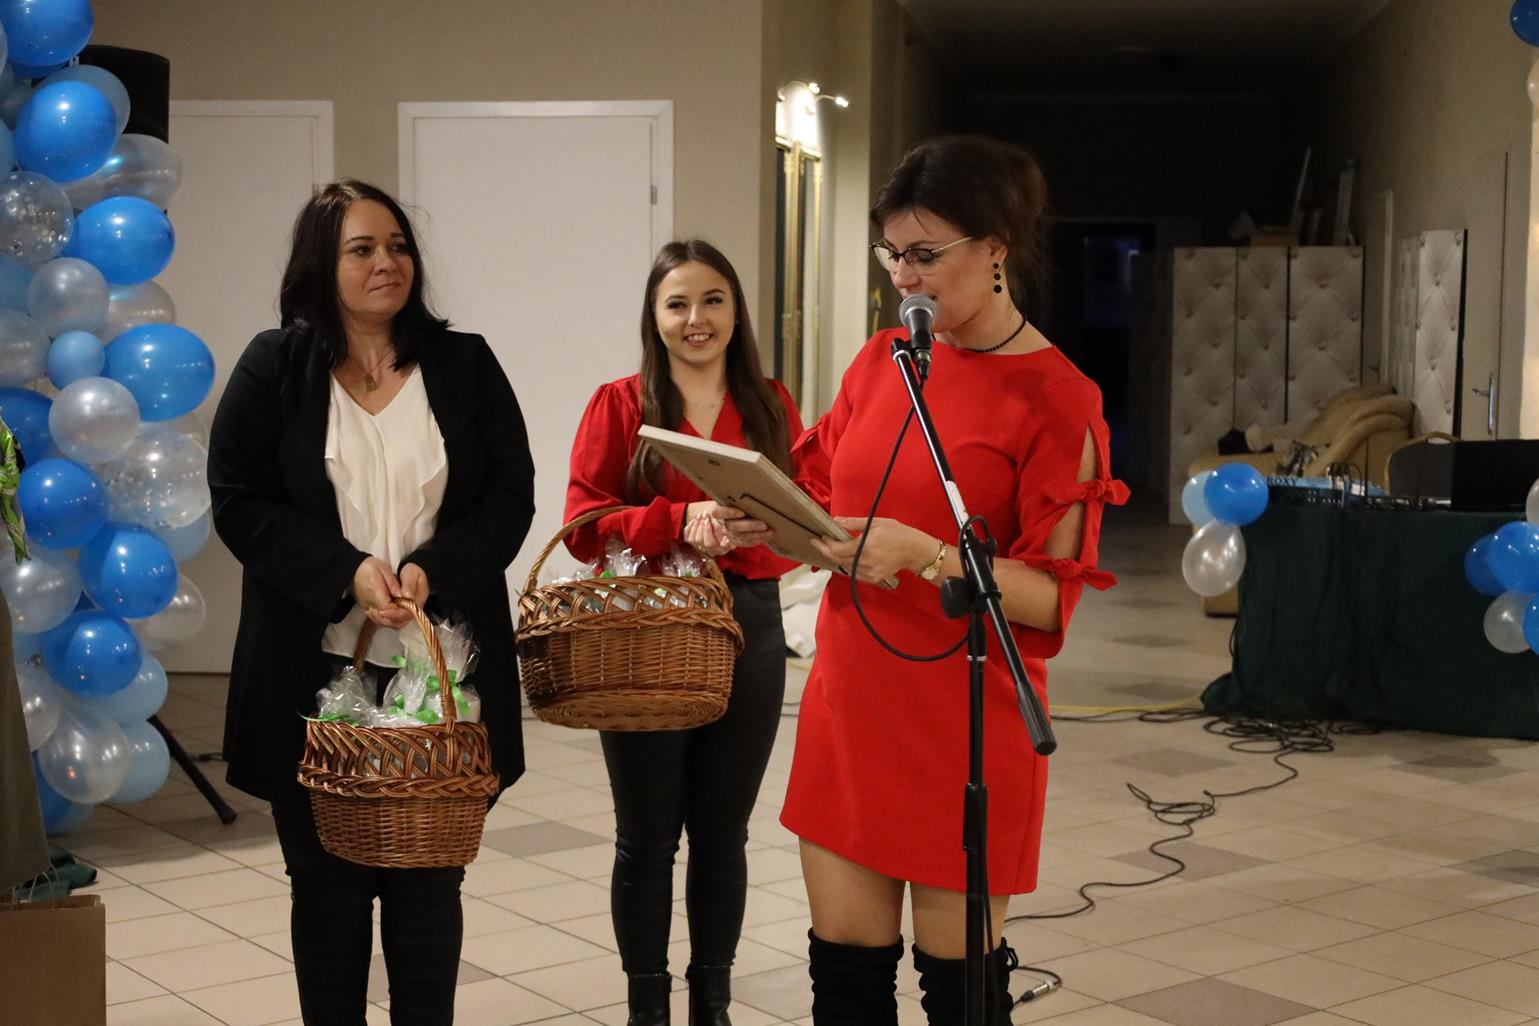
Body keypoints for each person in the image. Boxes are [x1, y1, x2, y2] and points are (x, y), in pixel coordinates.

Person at [770, 136, 1128, 1026]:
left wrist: (923, 554)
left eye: (926, 255)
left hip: (966, 721)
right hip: (852, 699)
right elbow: (815, 497)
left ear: (995, 247)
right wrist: (759, 514)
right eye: (892, 254)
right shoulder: (879, 361)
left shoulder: (1057, 397)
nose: (904, 278)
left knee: (958, 997)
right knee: (844, 987)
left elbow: (1046, 597)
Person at [208, 179, 535, 1026]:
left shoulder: (464, 363)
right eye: (362, 249)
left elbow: (510, 496)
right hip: (313, 678)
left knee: (430, 884)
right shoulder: (273, 366)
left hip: (441, 678)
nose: (387, 262)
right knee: (327, 890)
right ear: (322, 264)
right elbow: (239, 501)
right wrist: (345, 572)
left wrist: (434, 569)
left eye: (397, 246)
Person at [564, 239, 804, 1026]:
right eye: (677, 303)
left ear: (736, 311)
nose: (695, 318)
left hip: (749, 626)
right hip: (646, 631)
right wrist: (676, 518)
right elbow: (583, 526)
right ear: (653, 316)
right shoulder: (619, 404)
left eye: (712, 300)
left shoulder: (771, 404)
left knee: (723, 835)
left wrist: (755, 532)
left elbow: (807, 520)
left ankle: (712, 1004)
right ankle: (648, 1009)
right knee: (646, 837)